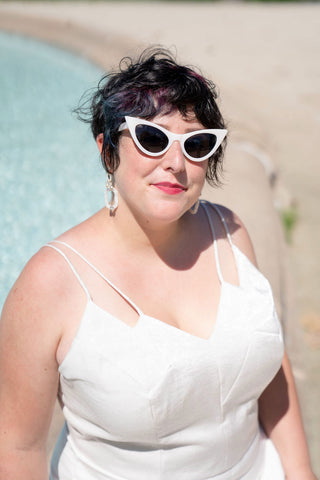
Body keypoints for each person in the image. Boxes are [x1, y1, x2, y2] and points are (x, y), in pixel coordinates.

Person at [0, 48, 316, 480]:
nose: (175, 162)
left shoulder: (230, 232)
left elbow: (271, 364)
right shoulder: (50, 284)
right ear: (108, 150)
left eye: (197, 143)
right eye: (153, 138)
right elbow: (18, 448)